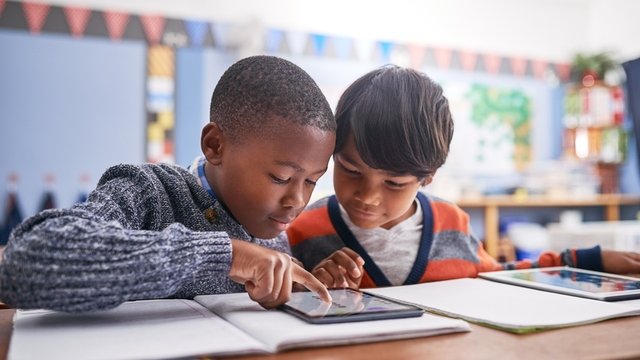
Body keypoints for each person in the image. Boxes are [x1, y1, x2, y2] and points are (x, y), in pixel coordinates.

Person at [0, 55, 335, 312]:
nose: (296, 200)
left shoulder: (274, 233)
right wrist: (225, 255)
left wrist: (305, 285)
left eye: (311, 182)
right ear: (215, 145)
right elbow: (25, 262)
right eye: (281, 178)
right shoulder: (149, 192)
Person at [287, 65, 640, 289]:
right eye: (350, 170)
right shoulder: (303, 230)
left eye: (394, 183)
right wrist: (309, 289)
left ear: (428, 177)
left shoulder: (451, 223)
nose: (367, 196)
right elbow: (275, 298)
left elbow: (501, 275)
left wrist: (583, 261)